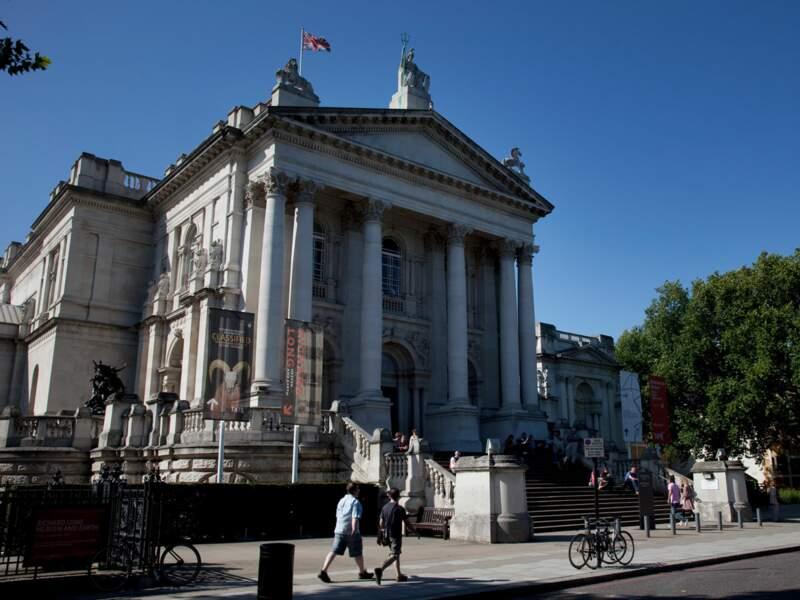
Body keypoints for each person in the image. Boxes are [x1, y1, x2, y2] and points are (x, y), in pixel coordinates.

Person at [318, 482, 374, 583]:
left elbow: (338, 515)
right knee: (358, 552)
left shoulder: (341, 500)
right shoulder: (355, 502)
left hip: (339, 529)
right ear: (354, 491)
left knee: (333, 551)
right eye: (358, 489)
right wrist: (354, 529)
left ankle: (323, 571)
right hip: (351, 531)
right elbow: (354, 517)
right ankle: (362, 572)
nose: (359, 490)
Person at [374, 487, 415, 585]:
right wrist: (415, 531)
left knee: (395, 553)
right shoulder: (400, 509)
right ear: (398, 497)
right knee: (395, 554)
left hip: (386, 534)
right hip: (395, 535)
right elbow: (407, 523)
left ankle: (398, 575)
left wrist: (381, 533)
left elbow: (380, 523)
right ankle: (380, 569)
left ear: (389, 496)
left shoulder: (385, 507)